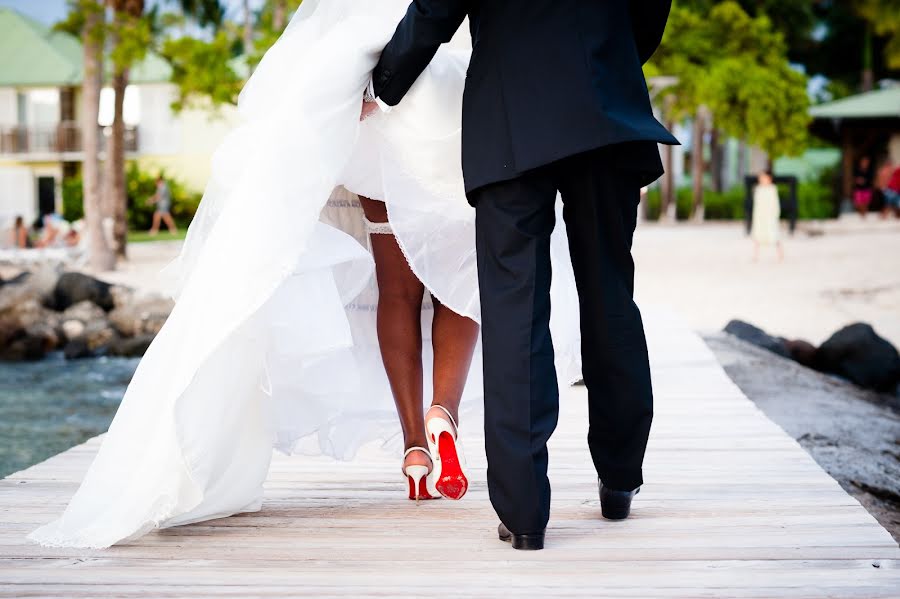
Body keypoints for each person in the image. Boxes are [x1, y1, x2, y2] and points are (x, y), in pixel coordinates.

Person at [29, 1, 583, 549]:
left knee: (397, 288)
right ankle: (445, 413)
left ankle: (415, 445)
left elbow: (323, 29)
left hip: (375, 90)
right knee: (457, 273)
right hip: (446, 96)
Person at [369, 0, 677, 550]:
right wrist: (608, 51)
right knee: (610, 294)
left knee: (514, 307)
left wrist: (385, 82)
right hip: (604, 102)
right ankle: (620, 479)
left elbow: (438, 6)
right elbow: (651, 5)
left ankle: (524, 511)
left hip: (510, 116)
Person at [751, 171, 784, 262]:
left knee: (774, 235)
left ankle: (780, 254)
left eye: (764, 178)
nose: (762, 180)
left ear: (769, 179)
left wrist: (776, 214)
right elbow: (756, 204)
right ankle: (755, 255)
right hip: (760, 216)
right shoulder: (758, 189)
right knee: (758, 236)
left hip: (770, 216)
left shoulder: (772, 189)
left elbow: (775, 203)